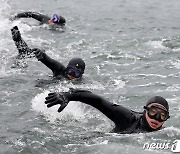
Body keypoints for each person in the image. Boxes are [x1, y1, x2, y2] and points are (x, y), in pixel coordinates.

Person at [44, 88, 170, 134]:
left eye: (162, 116)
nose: (156, 118)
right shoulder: (128, 118)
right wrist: (68, 95)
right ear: (145, 111)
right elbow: (98, 101)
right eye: (153, 112)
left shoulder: (165, 133)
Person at [11, 26, 85, 80]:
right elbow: (49, 61)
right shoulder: (60, 70)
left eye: (76, 73)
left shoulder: (82, 84)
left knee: (25, 54)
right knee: (27, 54)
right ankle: (18, 40)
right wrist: (42, 54)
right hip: (39, 81)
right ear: (67, 68)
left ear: (81, 75)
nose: (71, 75)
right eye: (70, 71)